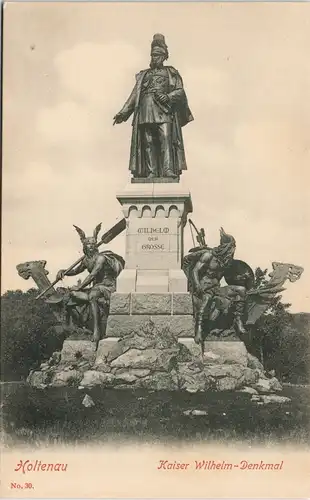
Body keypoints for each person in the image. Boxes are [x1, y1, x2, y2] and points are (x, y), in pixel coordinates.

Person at [113, 34, 193, 179]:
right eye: (152, 55)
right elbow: (134, 96)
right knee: (148, 142)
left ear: (164, 56)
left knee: (166, 138)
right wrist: (123, 113)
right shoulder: (144, 75)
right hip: (145, 111)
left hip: (164, 111)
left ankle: (168, 170)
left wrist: (168, 96)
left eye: (157, 55)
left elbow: (180, 91)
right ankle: (151, 172)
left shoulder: (171, 72)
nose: (154, 58)